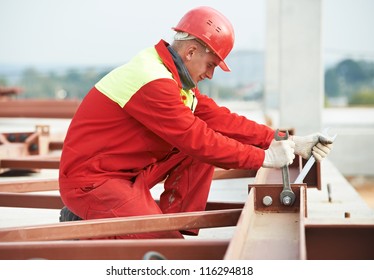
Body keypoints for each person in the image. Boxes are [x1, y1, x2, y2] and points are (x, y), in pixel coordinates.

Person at [58, 6, 333, 239]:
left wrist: (288, 141)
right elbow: (199, 139)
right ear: (190, 52)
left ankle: (175, 224)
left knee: (205, 145)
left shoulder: (172, 77)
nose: (211, 75)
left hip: (123, 170)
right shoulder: (153, 81)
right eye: (211, 65)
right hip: (94, 182)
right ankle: (152, 232)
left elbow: (222, 120)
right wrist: (263, 158)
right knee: (161, 248)